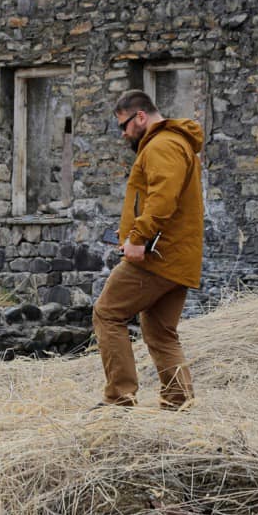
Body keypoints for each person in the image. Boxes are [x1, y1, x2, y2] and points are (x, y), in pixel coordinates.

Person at [93, 90, 204, 409]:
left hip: (158, 257)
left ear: (140, 116)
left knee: (107, 313)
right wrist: (130, 232)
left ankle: (119, 399)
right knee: (160, 332)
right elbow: (162, 201)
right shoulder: (174, 143)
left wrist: (139, 238)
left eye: (123, 125)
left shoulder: (162, 145)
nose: (123, 133)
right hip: (177, 257)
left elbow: (162, 199)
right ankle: (178, 401)